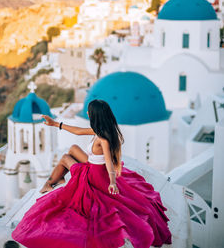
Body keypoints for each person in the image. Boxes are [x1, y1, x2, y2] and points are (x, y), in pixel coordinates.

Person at [12, 99, 172, 248]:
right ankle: (58, 179)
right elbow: (77, 131)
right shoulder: (102, 130)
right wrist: (55, 124)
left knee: (66, 158)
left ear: (95, 115)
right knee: (74, 148)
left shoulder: (103, 139)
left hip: (94, 176)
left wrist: (112, 182)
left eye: (89, 112)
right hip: (93, 165)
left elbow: (109, 162)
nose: (87, 114)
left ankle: (50, 183)